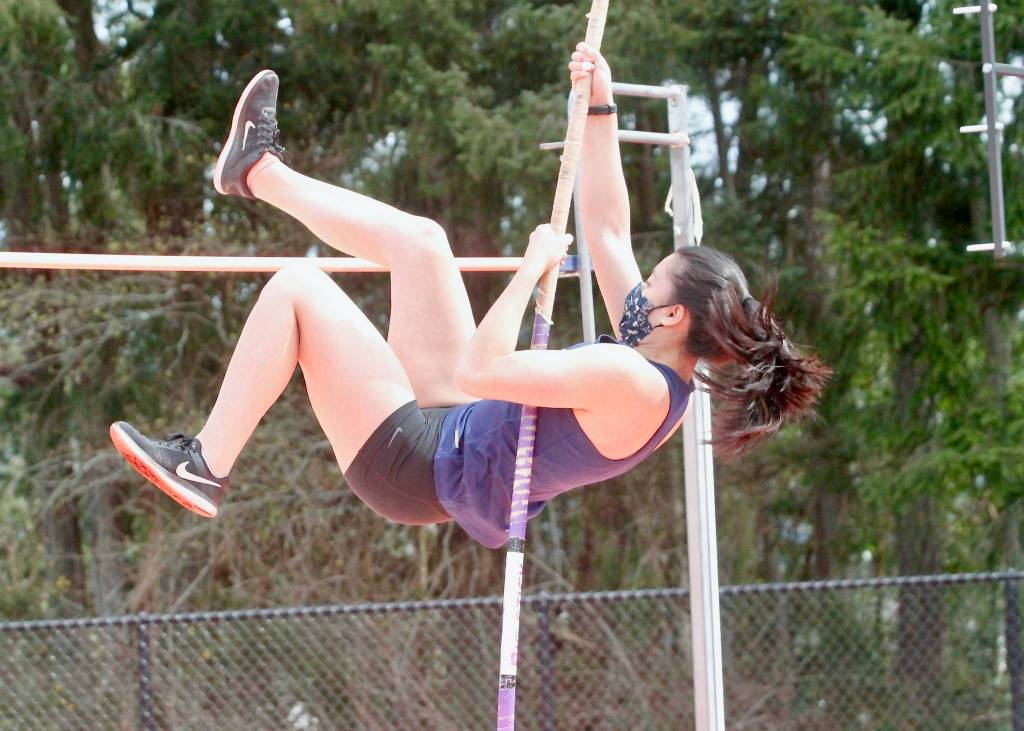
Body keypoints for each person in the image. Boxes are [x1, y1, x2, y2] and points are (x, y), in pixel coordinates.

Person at [110, 45, 830, 549]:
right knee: (422, 242)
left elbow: (482, 368)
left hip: (418, 466)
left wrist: (529, 270)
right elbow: (609, 231)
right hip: (454, 425)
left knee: (299, 288)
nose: (639, 286)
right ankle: (255, 171)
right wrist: (600, 103)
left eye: (655, 278)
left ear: (674, 315)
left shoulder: (629, 378)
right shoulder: (655, 353)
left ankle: (203, 465)